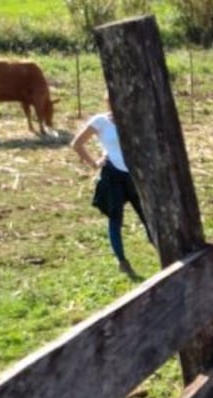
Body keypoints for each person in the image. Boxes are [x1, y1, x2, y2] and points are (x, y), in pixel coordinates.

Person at [71, 99, 151, 277]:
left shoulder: (134, 120)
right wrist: (94, 163)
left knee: (148, 217)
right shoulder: (100, 121)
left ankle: (167, 256)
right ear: (108, 102)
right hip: (112, 174)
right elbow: (77, 144)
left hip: (135, 176)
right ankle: (122, 261)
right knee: (115, 218)